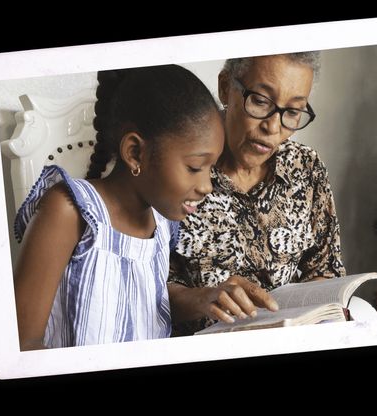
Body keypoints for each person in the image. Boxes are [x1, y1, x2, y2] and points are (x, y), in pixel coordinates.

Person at [13, 65, 224, 350]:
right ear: (135, 153)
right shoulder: (69, 211)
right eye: (195, 167)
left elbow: (144, 314)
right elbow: (22, 344)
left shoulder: (163, 225)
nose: (207, 185)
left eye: (211, 168)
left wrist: (202, 300)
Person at [168, 53, 346, 335]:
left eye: (292, 112)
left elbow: (324, 269)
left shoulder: (305, 166)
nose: (273, 128)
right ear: (226, 87)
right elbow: (147, 292)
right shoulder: (182, 167)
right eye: (261, 101)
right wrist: (202, 298)